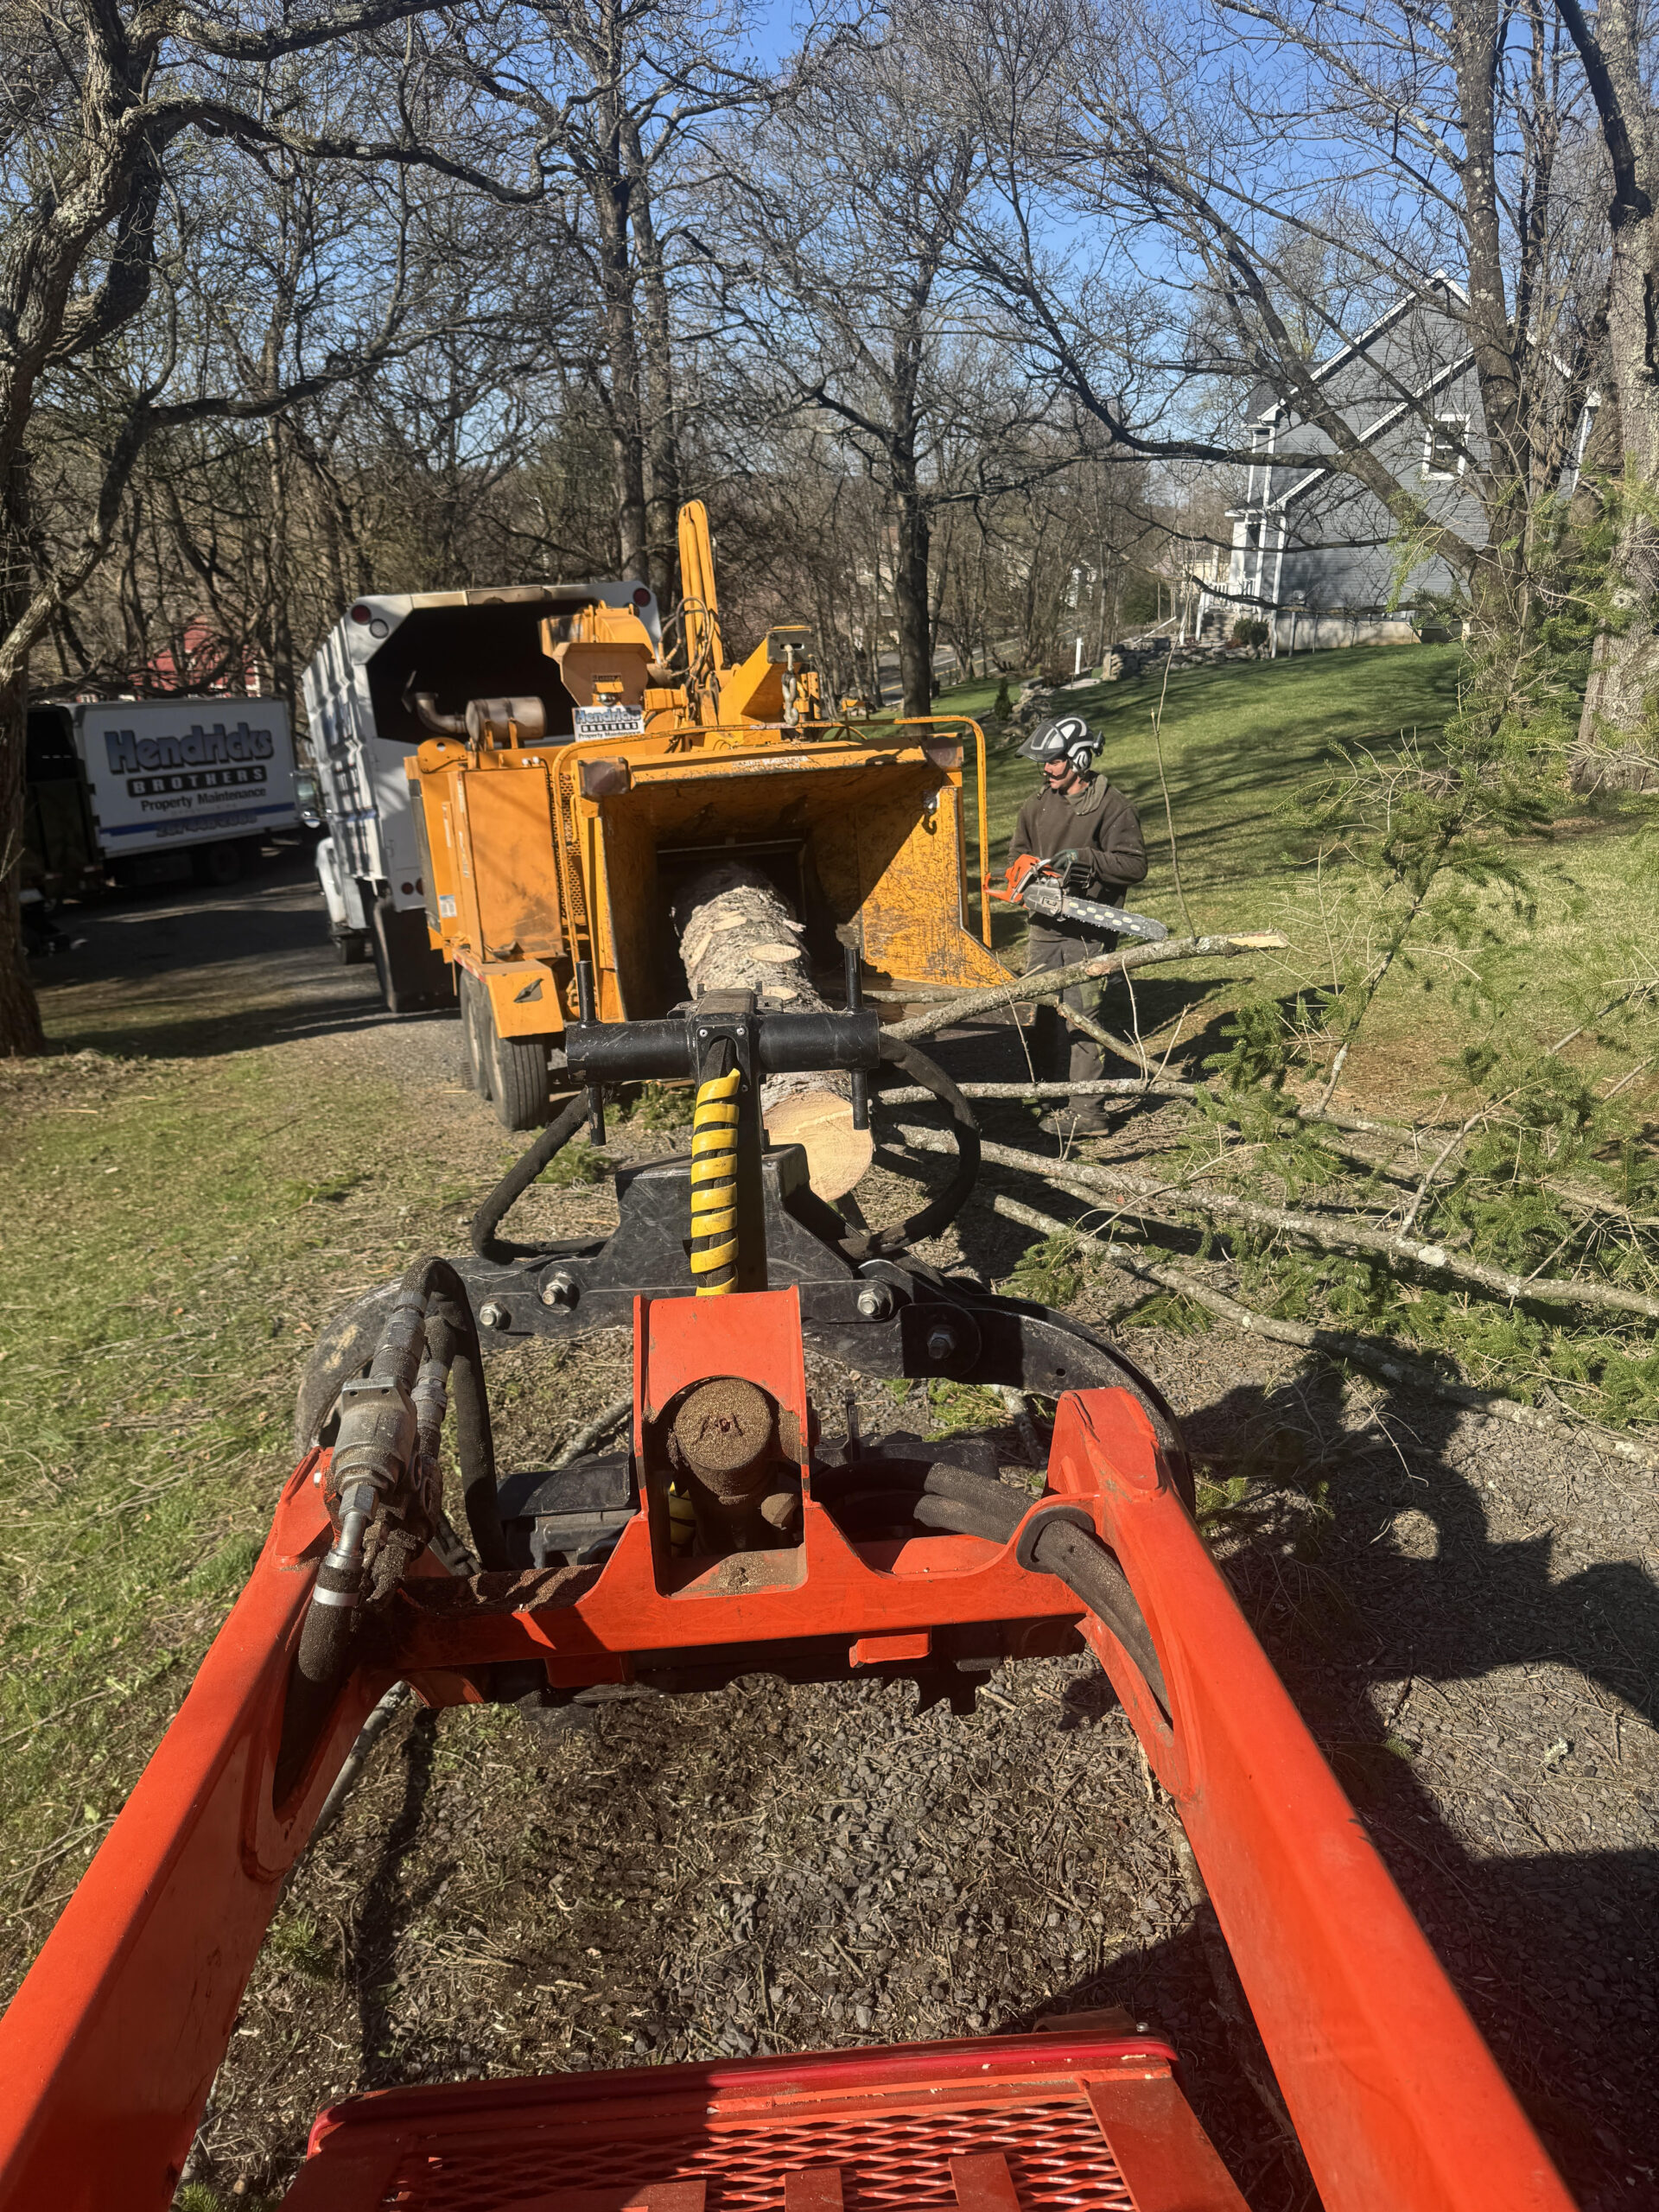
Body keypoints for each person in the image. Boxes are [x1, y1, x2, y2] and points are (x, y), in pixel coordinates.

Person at [1007, 713, 1147, 1136]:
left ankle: (1088, 1113)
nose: (1047, 769)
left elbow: (1134, 864)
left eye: (1054, 761)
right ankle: (1044, 1093)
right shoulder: (1036, 804)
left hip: (1088, 929)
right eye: (1044, 762)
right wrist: (1026, 874)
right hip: (1043, 926)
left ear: (1080, 759)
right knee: (1041, 1013)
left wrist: (1086, 859)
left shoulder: (1111, 805)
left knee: (1082, 1018)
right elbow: (1017, 853)